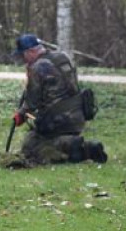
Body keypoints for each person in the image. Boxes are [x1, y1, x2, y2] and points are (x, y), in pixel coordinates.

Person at [11, 34, 107, 164]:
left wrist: (21, 115)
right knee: (40, 140)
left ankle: (78, 147)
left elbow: (31, 103)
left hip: (56, 121)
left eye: (23, 55)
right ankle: (76, 145)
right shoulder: (62, 57)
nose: (23, 60)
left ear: (31, 52)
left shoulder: (37, 67)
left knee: (31, 147)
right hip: (78, 117)